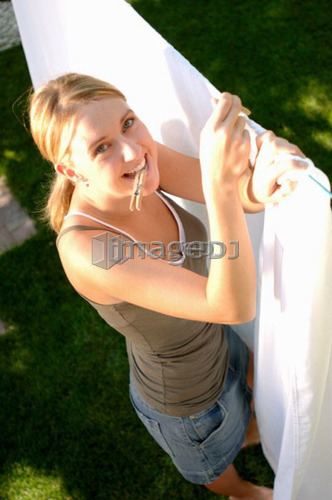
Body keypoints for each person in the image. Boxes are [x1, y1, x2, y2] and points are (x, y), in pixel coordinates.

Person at [28, 73, 306, 499]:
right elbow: (232, 304)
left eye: (127, 122)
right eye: (101, 147)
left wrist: (272, 174)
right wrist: (220, 183)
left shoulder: (141, 164)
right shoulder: (88, 249)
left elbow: (239, 193)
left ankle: (250, 431)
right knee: (214, 460)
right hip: (189, 402)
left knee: (247, 399)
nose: (131, 150)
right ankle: (242, 492)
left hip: (219, 338)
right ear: (70, 170)